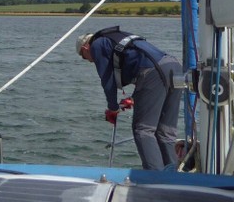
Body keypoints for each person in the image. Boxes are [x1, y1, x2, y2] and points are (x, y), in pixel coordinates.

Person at [76, 27, 182, 170]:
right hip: (173, 67)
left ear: (85, 47)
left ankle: (155, 178)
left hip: (153, 72)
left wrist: (112, 108)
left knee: (143, 130)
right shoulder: (117, 37)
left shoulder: (97, 44)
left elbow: (107, 80)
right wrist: (135, 98)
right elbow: (143, 61)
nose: (89, 61)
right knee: (166, 132)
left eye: (84, 56)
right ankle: (173, 176)